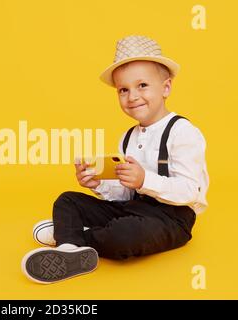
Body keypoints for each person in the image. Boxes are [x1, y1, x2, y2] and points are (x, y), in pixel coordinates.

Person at [21, 35, 209, 284]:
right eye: (123, 89)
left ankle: (74, 236)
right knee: (68, 201)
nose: (132, 96)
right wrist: (98, 184)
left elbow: (190, 191)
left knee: (125, 234)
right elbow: (125, 196)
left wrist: (144, 180)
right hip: (132, 209)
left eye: (142, 85)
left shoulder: (183, 132)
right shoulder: (127, 137)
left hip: (172, 219)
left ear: (165, 88)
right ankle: (69, 250)